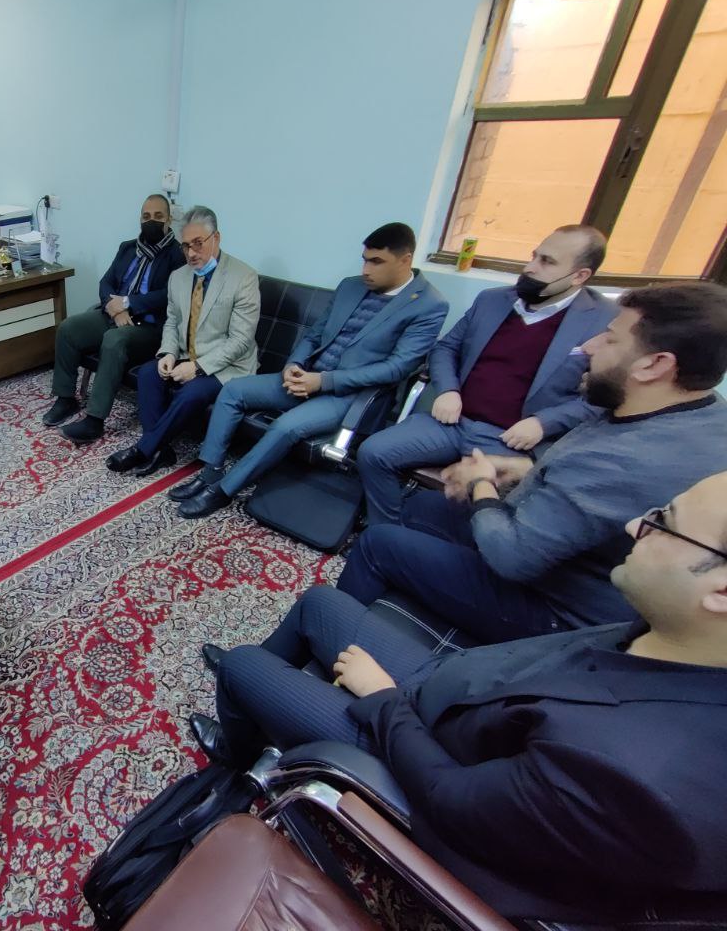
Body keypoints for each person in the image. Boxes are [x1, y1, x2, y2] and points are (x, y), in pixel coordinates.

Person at [192, 471, 727, 923]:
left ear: (720, 592)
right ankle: (266, 716)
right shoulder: (670, 635)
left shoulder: (641, 774)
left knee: (242, 665)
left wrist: (383, 698)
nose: (635, 526)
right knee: (318, 603)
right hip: (450, 697)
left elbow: (451, 804)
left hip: (417, 758)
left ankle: (237, 763)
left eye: (664, 522)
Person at [338, 281, 727, 643]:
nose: (588, 347)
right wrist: (526, 470)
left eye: (610, 338)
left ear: (654, 365)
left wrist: (480, 484)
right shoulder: (701, 414)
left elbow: (510, 557)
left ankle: (340, 640)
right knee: (425, 506)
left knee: (377, 543)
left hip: (560, 609)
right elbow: (593, 493)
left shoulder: (624, 460)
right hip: (563, 557)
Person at [170, 223, 448, 518]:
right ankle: (210, 473)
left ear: (405, 260)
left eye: (377, 262)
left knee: (285, 427)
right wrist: (294, 365)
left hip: (348, 396)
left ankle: (223, 491)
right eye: (365, 260)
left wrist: (323, 381)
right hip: (305, 378)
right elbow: (314, 335)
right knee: (233, 390)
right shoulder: (351, 286)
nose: (366, 270)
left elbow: (396, 369)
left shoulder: (428, 305)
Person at [357, 225, 617, 525]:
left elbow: (605, 399)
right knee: (373, 453)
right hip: (454, 422)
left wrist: (544, 422)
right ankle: (387, 531)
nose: (530, 267)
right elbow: (446, 348)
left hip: (511, 439)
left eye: (547, 262)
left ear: (579, 276)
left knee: (501, 503)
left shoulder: (606, 321)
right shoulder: (492, 300)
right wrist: (448, 390)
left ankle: (450, 544)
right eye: (534, 256)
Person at [105, 206, 260, 476]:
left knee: (191, 392)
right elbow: (172, 322)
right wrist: (167, 353)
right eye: (186, 245)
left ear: (216, 238)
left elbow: (240, 341)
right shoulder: (178, 277)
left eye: (198, 243)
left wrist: (197, 368)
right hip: (186, 356)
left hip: (227, 366)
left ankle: (144, 448)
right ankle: (162, 451)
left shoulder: (243, 277)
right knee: (149, 374)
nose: (191, 253)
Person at [43, 194, 185, 444]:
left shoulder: (177, 254)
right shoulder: (128, 248)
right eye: (146, 216)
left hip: (150, 327)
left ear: (169, 220)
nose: (151, 221)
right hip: (115, 314)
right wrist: (116, 309)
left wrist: (129, 304)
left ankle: (94, 421)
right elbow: (106, 282)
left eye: (158, 216)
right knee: (69, 328)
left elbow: (170, 294)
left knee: (114, 339)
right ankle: (66, 398)